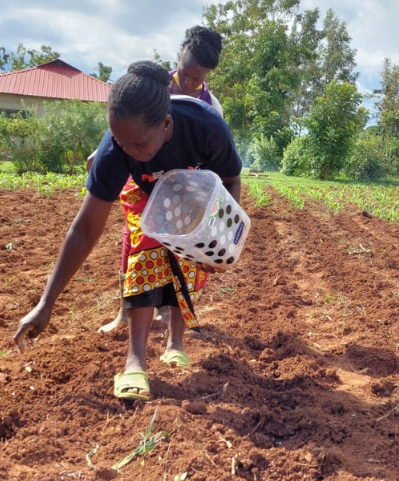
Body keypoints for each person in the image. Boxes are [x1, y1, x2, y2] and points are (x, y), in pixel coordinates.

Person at [14, 61, 242, 400]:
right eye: (119, 142)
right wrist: (46, 303)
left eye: (136, 145)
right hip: (144, 189)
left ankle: (175, 342)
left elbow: (232, 179)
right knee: (145, 253)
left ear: (166, 125)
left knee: (189, 257)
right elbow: (85, 228)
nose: (127, 150)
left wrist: (216, 237)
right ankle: (135, 360)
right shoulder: (116, 148)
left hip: (195, 187)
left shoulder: (206, 127)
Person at [93, 25, 224, 334]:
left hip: (181, 186)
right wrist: (98, 153)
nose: (189, 82)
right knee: (134, 241)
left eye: (197, 78)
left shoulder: (210, 106)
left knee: (179, 246)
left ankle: (168, 309)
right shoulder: (151, 88)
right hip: (141, 176)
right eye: (184, 74)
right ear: (177, 59)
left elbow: (215, 156)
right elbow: (121, 125)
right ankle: (125, 312)